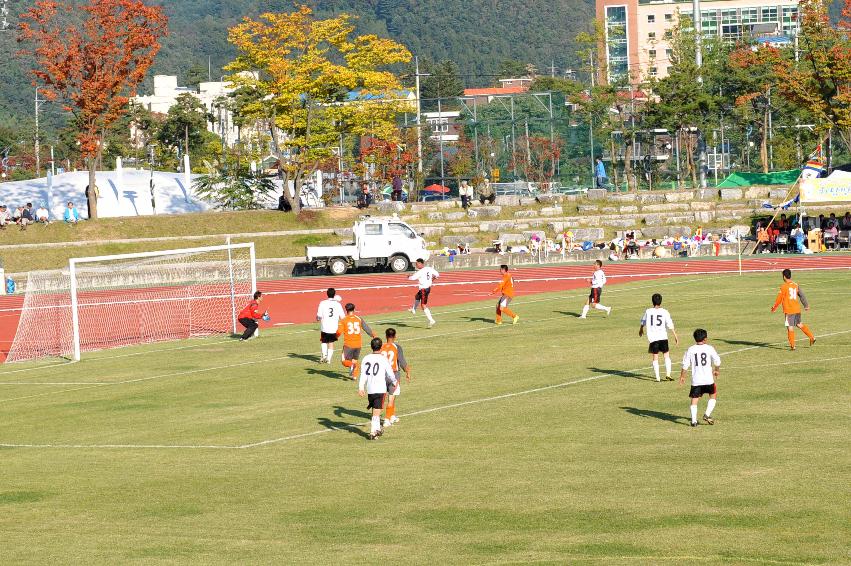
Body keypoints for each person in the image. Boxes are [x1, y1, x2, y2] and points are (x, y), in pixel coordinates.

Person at [679, 328, 721, 427]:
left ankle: (693, 421)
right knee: (713, 394)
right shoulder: (709, 348)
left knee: (694, 399)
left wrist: (682, 376)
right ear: (705, 339)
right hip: (708, 379)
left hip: (696, 379)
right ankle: (707, 414)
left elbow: (685, 365)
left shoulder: (691, 349)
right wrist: (717, 370)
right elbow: (717, 361)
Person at [357, 337, 397, 440]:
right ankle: (373, 431)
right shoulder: (383, 359)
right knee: (377, 411)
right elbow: (390, 373)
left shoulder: (366, 358)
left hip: (370, 388)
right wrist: (394, 381)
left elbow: (363, 374)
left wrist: (361, 387)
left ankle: (377, 429)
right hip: (380, 388)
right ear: (381, 347)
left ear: (371, 346)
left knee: (375, 409)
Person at [770, 268, 815, 350]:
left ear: (784, 277)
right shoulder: (795, 285)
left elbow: (779, 298)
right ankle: (812, 337)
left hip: (789, 310)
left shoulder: (784, 286)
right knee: (799, 324)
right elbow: (802, 295)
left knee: (790, 327)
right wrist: (806, 305)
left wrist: (774, 307)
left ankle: (792, 346)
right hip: (797, 309)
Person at [639, 293, 679, 382]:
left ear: (652, 301)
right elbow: (670, 324)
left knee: (655, 356)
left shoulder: (648, 311)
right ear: (661, 301)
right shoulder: (664, 311)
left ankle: (657, 377)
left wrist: (641, 329)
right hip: (663, 337)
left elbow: (643, 321)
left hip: (653, 338)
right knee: (666, 355)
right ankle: (668, 374)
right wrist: (675, 335)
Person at [336, 302, 376, 380]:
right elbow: (367, 328)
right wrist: (374, 335)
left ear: (346, 310)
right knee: (354, 360)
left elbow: (339, 332)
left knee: (344, 361)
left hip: (348, 344)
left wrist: (334, 337)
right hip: (358, 344)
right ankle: (354, 376)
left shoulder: (343, 320)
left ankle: (353, 366)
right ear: (354, 309)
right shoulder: (359, 319)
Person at [380, 327, 411, 428]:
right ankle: (387, 419)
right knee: (391, 397)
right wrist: (407, 371)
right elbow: (402, 361)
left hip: (382, 374)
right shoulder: (397, 347)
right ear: (395, 336)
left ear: (386, 336)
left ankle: (392, 415)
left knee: (385, 397)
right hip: (394, 374)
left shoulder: (381, 346)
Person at [316, 288, 346, 363]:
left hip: (324, 326)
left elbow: (319, 316)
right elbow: (342, 317)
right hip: (333, 327)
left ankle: (324, 356)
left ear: (327, 294)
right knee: (331, 343)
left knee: (323, 341)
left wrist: (318, 319)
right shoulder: (338, 304)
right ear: (334, 294)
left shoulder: (322, 303)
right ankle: (328, 359)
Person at [409, 259, 439, 327]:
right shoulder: (429, 268)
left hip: (423, 289)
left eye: (417, 264)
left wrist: (408, 277)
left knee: (423, 305)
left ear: (420, 263)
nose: (416, 265)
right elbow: (437, 274)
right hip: (427, 288)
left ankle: (431, 320)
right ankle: (413, 309)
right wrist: (432, 280)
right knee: (417, 296)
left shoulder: (420, 272)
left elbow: (413, 278)